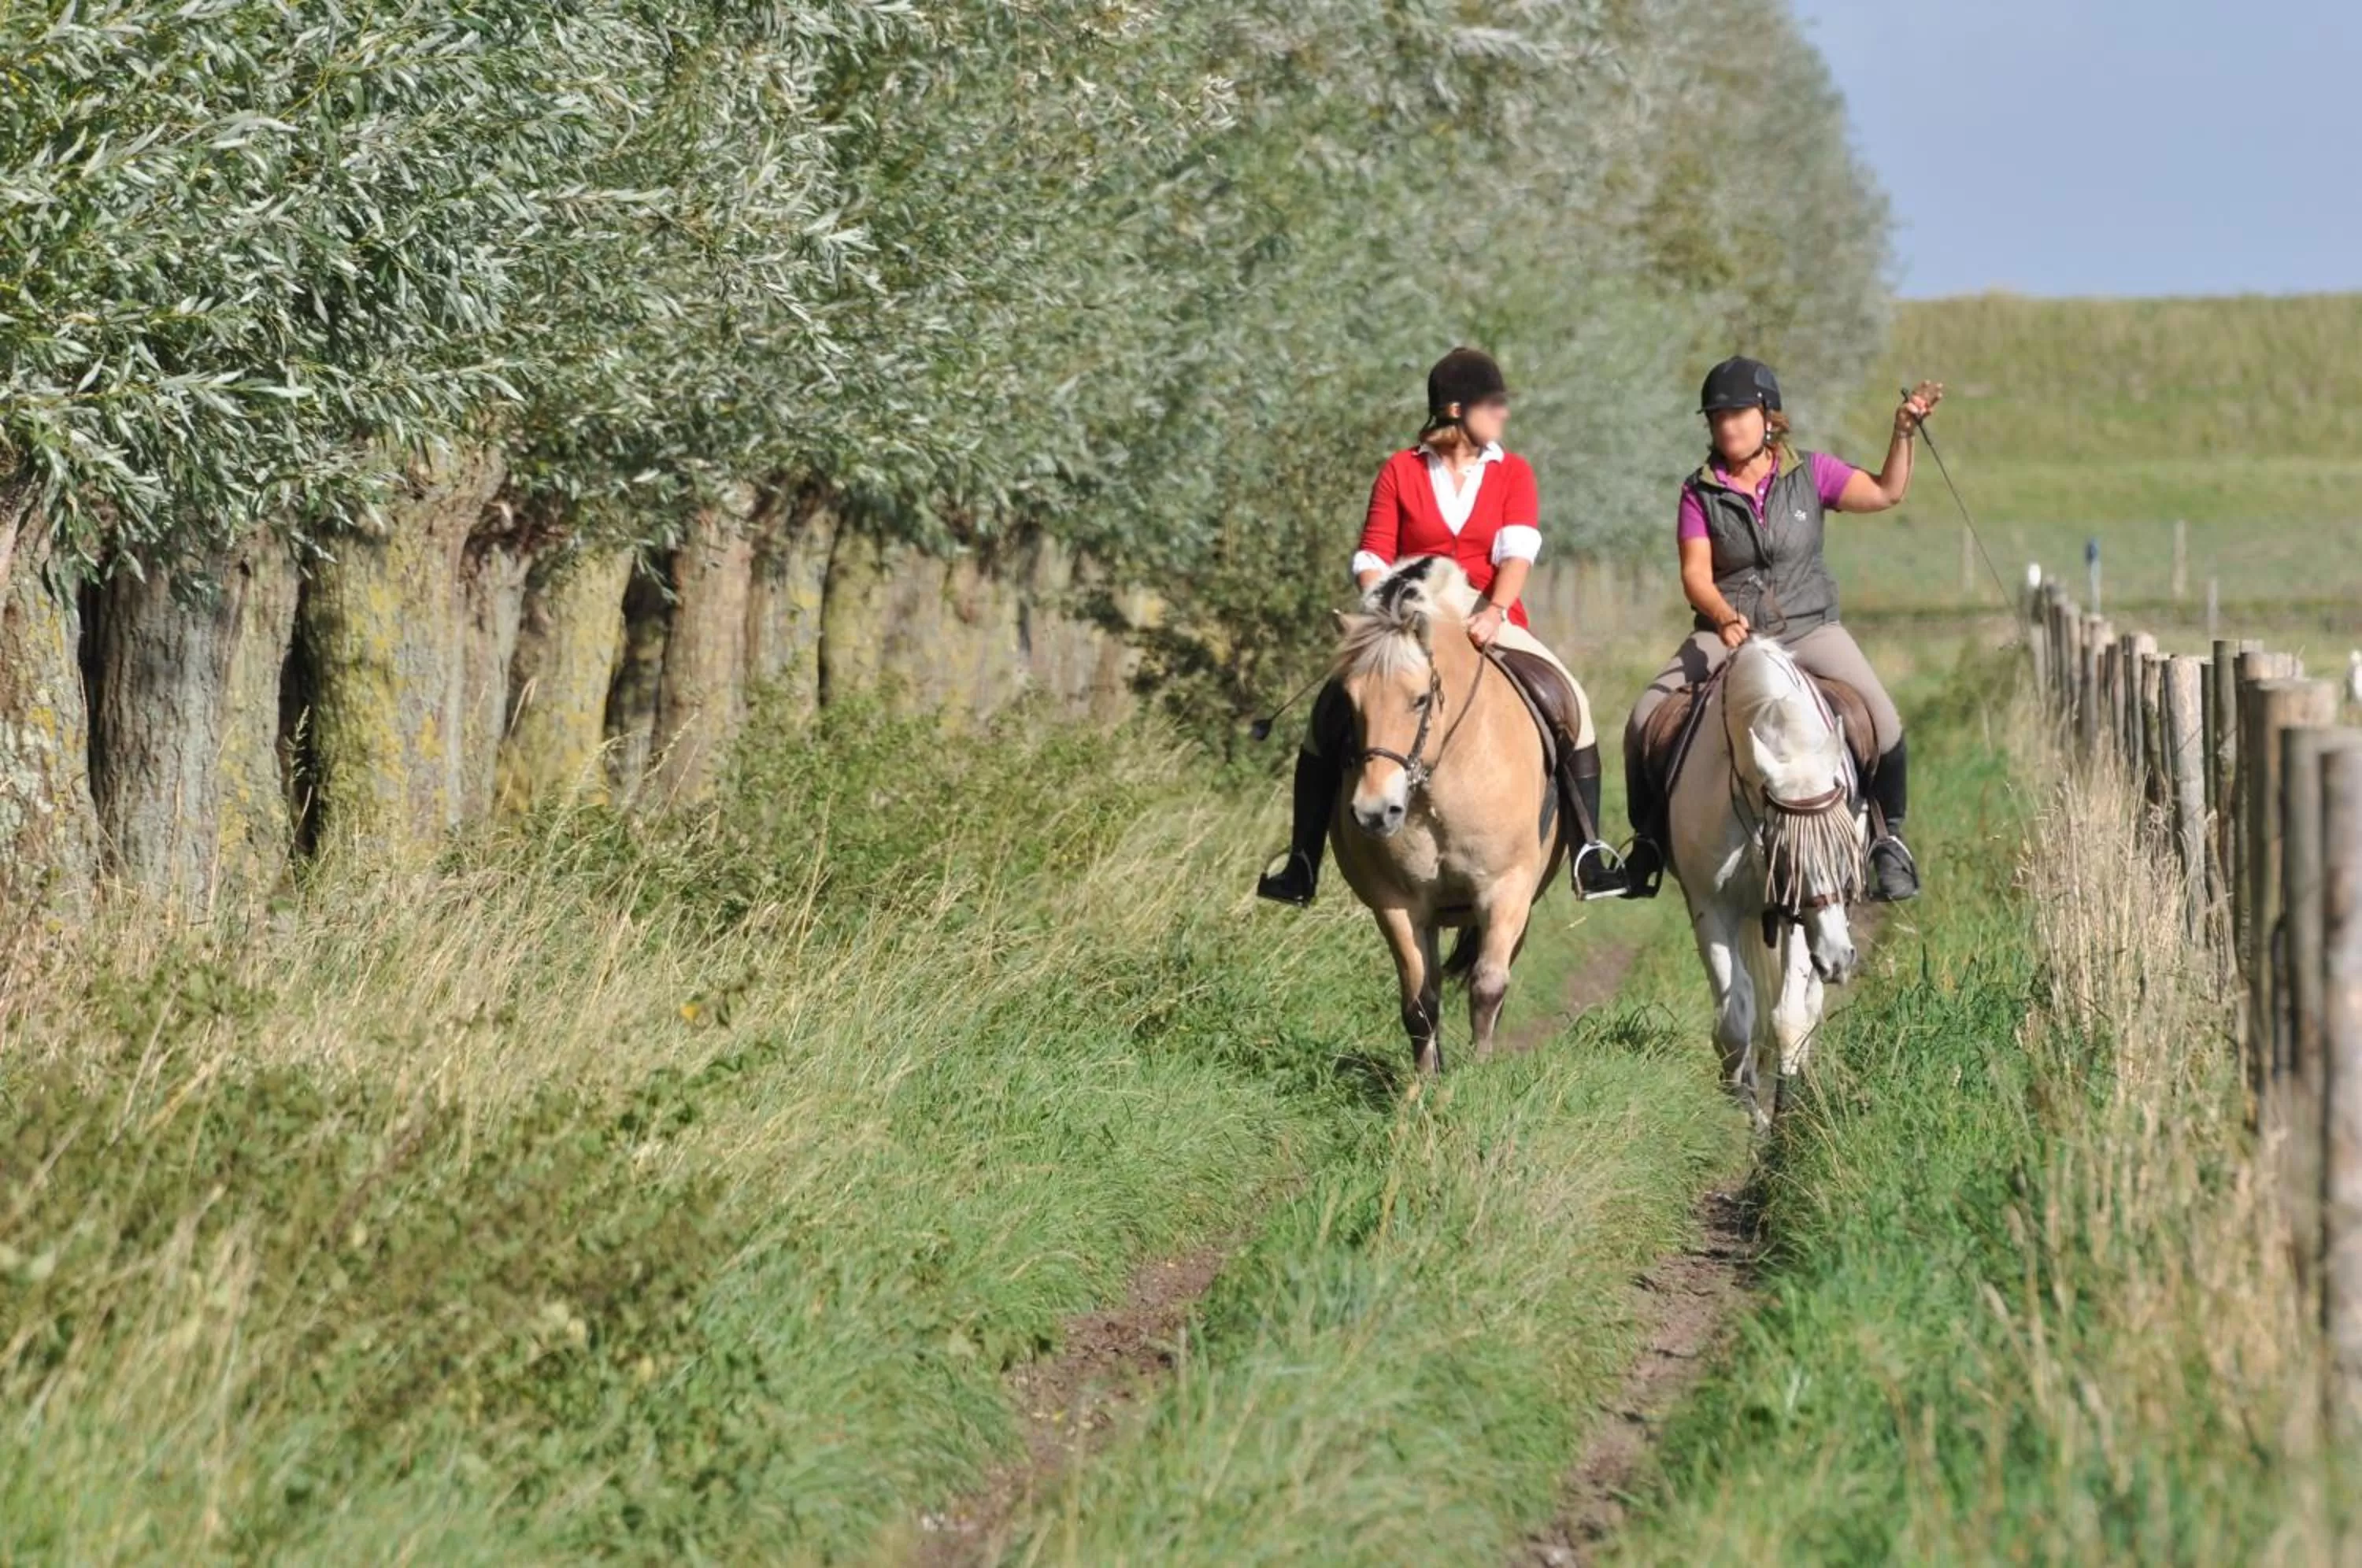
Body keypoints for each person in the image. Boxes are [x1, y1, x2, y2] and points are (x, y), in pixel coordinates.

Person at [1257, 346, 1627, 904]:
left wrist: (1494, 610)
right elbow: (1371, 555)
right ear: (1457, 410)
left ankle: (1587, 852)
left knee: (1572, 699)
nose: (1503, 413)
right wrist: (1384, 611)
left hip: (1485, 612)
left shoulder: (1513, 472)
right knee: (1328, 712)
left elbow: (1518, 551)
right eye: (1493, 403)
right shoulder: (1400, 470)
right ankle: (1302, 860)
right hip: (1410, 618)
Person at [1620, 357, 1943, 902]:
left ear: (1769, 416)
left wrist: (1902, 432)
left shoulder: (1811, 472)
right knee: (1643, 717)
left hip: (1809, 627)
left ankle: (1888, 843)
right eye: (1717, 417)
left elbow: (1887, 492)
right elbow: (1696, 575)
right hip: (1728, 633)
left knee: (1884, 721)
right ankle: (1648, 844)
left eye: (1738, 414)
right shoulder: (1698, 492)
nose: (1726, 426)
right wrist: (1723, 616)